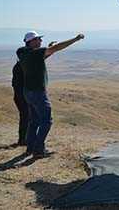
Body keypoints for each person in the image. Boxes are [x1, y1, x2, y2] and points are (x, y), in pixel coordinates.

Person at [17, 31, 84, 159]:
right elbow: (56, 48)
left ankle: (30, 148)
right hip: (37, 92)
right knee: (47, 121)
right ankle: (38, 149)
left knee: (34, 121)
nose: (40, 41)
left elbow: (42, 55)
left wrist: (49, 49)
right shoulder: (35, 53)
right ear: (31, 41)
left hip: (28, 92)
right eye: (38, 39)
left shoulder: (23, 53)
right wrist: (75, 39)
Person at [12, 61, 28, 146]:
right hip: (21, 97)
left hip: (19, 97)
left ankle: (23, 139)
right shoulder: (21, 67)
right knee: (26, 117)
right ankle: (23, 140)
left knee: (25, 117)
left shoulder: (18, 66)